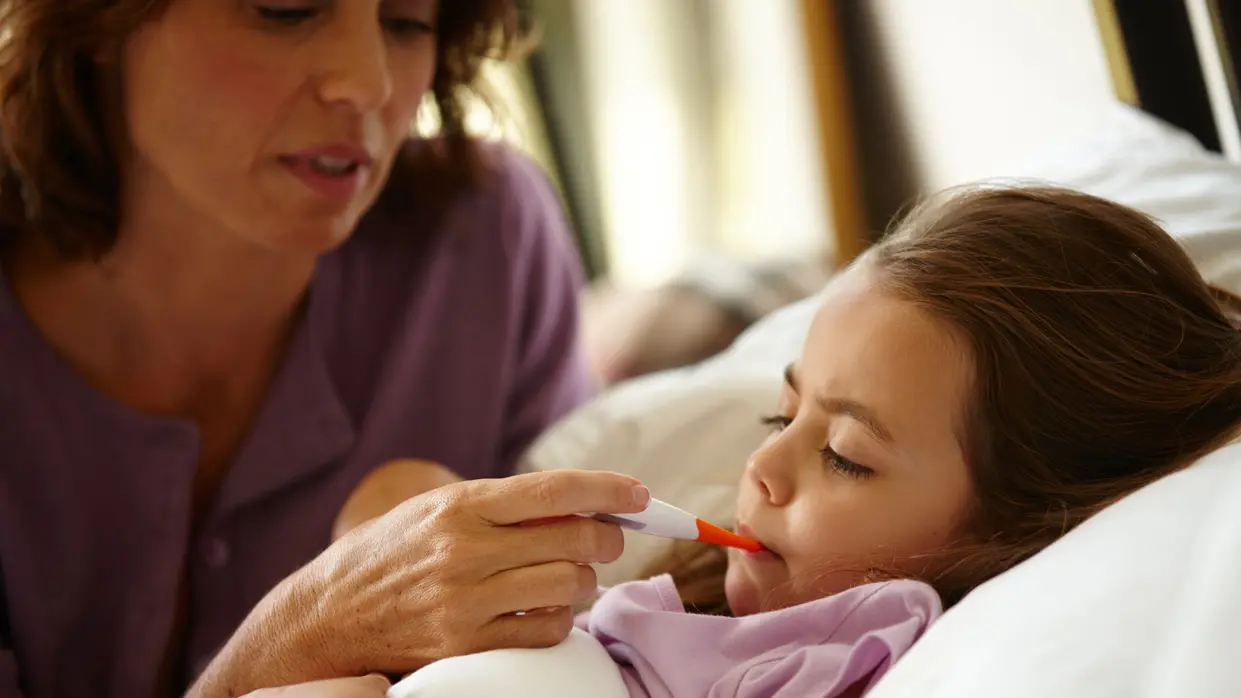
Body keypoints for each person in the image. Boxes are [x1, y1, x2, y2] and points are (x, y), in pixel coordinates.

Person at [0, 1, 645, 697]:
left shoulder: (485, 240)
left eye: (405, 22)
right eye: (287, 9)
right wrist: (304, 637)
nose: (367, 82)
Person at [374, 186, 1241, 697]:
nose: (761, 467)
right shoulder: (679, 602)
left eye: (844, 457)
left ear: (1016, 529)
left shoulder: (848, 664)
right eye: (781, 419)